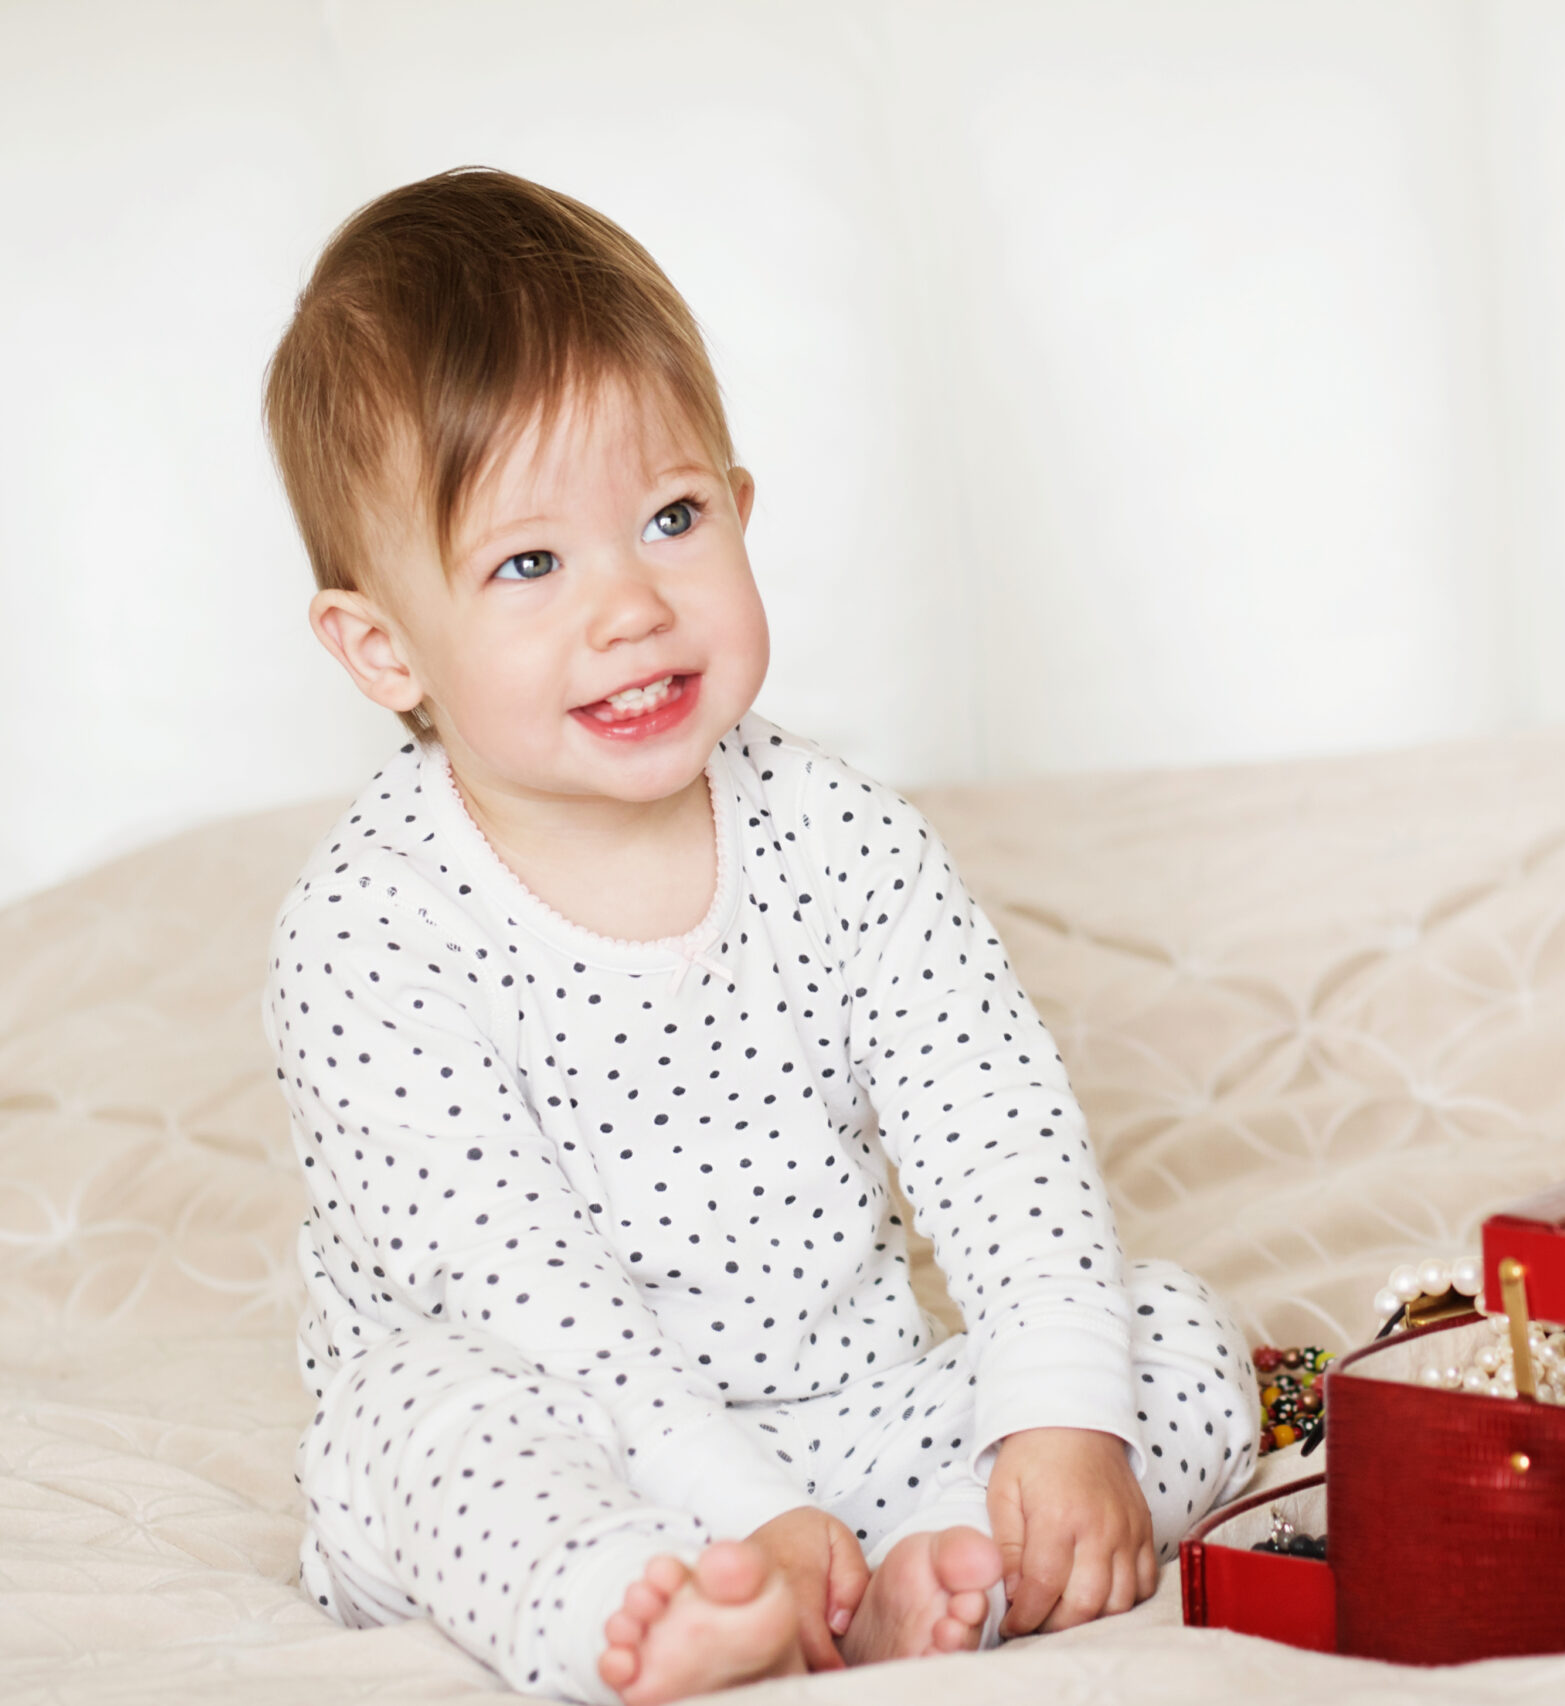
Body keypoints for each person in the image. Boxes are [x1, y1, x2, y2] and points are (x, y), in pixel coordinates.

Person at [258, 167, 1258, 1706]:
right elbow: (537, 1304)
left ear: (739, 504)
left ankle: (930, 1564)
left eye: (671, 517)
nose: (631, 606)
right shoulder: (371, 934)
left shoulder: (835, 831)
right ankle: (655, 1615)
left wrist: (1059, 1421)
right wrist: (749, 1520)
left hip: (853, 1413)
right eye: (530, 563)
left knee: (1169, 1340)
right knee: (415, 1426)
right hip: (567, 1430)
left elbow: (994, 1127)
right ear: (382, 644)